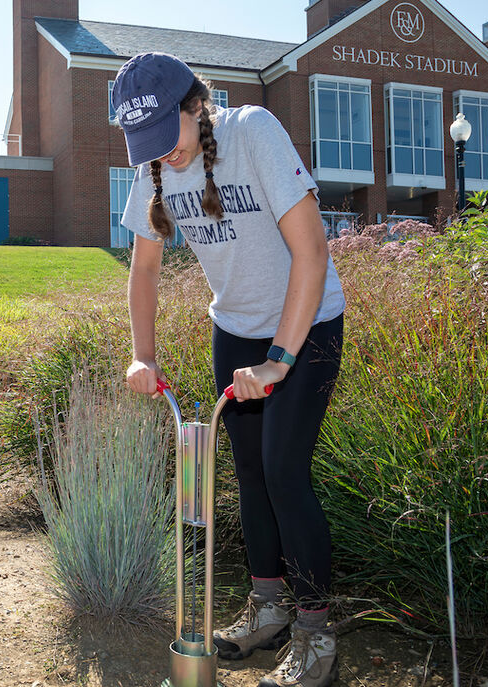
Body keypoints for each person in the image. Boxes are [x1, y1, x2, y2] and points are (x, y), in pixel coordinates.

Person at [114, 53, 346, 687]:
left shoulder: (254, 132)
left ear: (196, 106)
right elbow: (144, 269)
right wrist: (144, 354)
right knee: (245, 472)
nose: (166, 155)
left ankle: (316, 633)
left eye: (171, 137)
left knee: (282, 471)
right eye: (149, 144)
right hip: (236, 328)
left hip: (307, 325)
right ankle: (268, 608)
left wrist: (281, 360)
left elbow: (312, 250)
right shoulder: (155, 168)